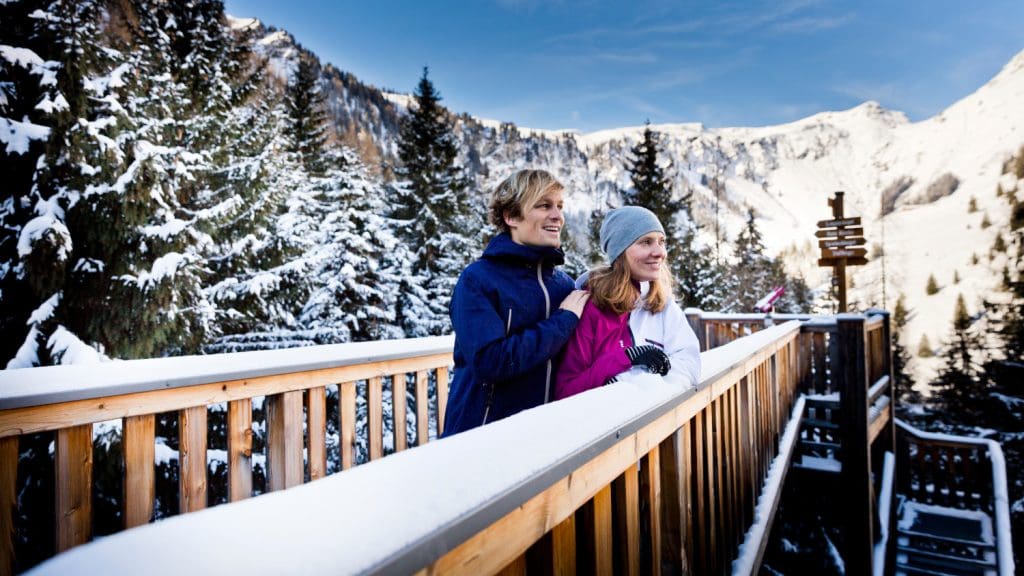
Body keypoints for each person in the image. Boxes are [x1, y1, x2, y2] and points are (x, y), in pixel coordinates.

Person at [442, 170, 590, 436]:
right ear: (511, 217)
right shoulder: (478, 280)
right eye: (544, 205)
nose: (557, 216)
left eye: (559, 206)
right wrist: (562, 321)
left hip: (545, 436)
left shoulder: (564, 285)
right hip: (481, 436)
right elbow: (490, 362)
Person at [554, 206, 701, 400]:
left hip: (658, 422)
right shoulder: (591, 307)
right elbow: (566, 391)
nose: (659, 252)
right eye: (646, 242)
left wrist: (640, 394)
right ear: (620, 252)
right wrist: (623, 362)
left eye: (661, 242)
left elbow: (689, 364)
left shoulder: (663, 305)